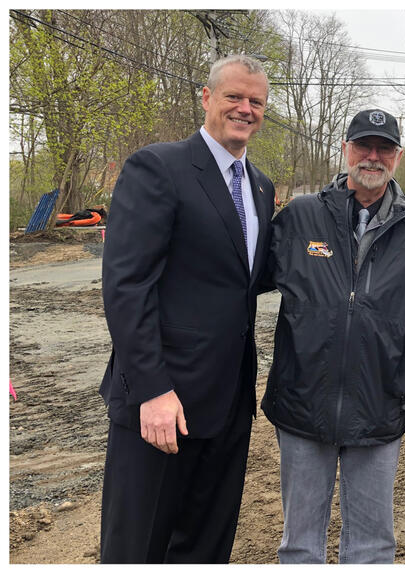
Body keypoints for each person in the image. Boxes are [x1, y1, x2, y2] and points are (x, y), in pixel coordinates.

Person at [98, 53, 274, 564]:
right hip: (162, 405)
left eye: (256, 101)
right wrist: (151, 389)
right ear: (206, 98)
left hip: (228, 403)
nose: (245, 108)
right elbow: (127, 286)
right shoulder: (158, 167)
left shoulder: (260, 187)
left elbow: (255, 276)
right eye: (234, 97)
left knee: (205, 548)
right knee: (138, 548)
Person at [262, 109, 405, 564]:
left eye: (383, 148)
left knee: (372, 546)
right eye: (363, 146)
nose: (373, 157)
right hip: (302, 407)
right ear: (346, 149)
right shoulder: (300, 218)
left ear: (398, 157)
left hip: (378, 410)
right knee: (299, 543)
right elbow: (237, 284)